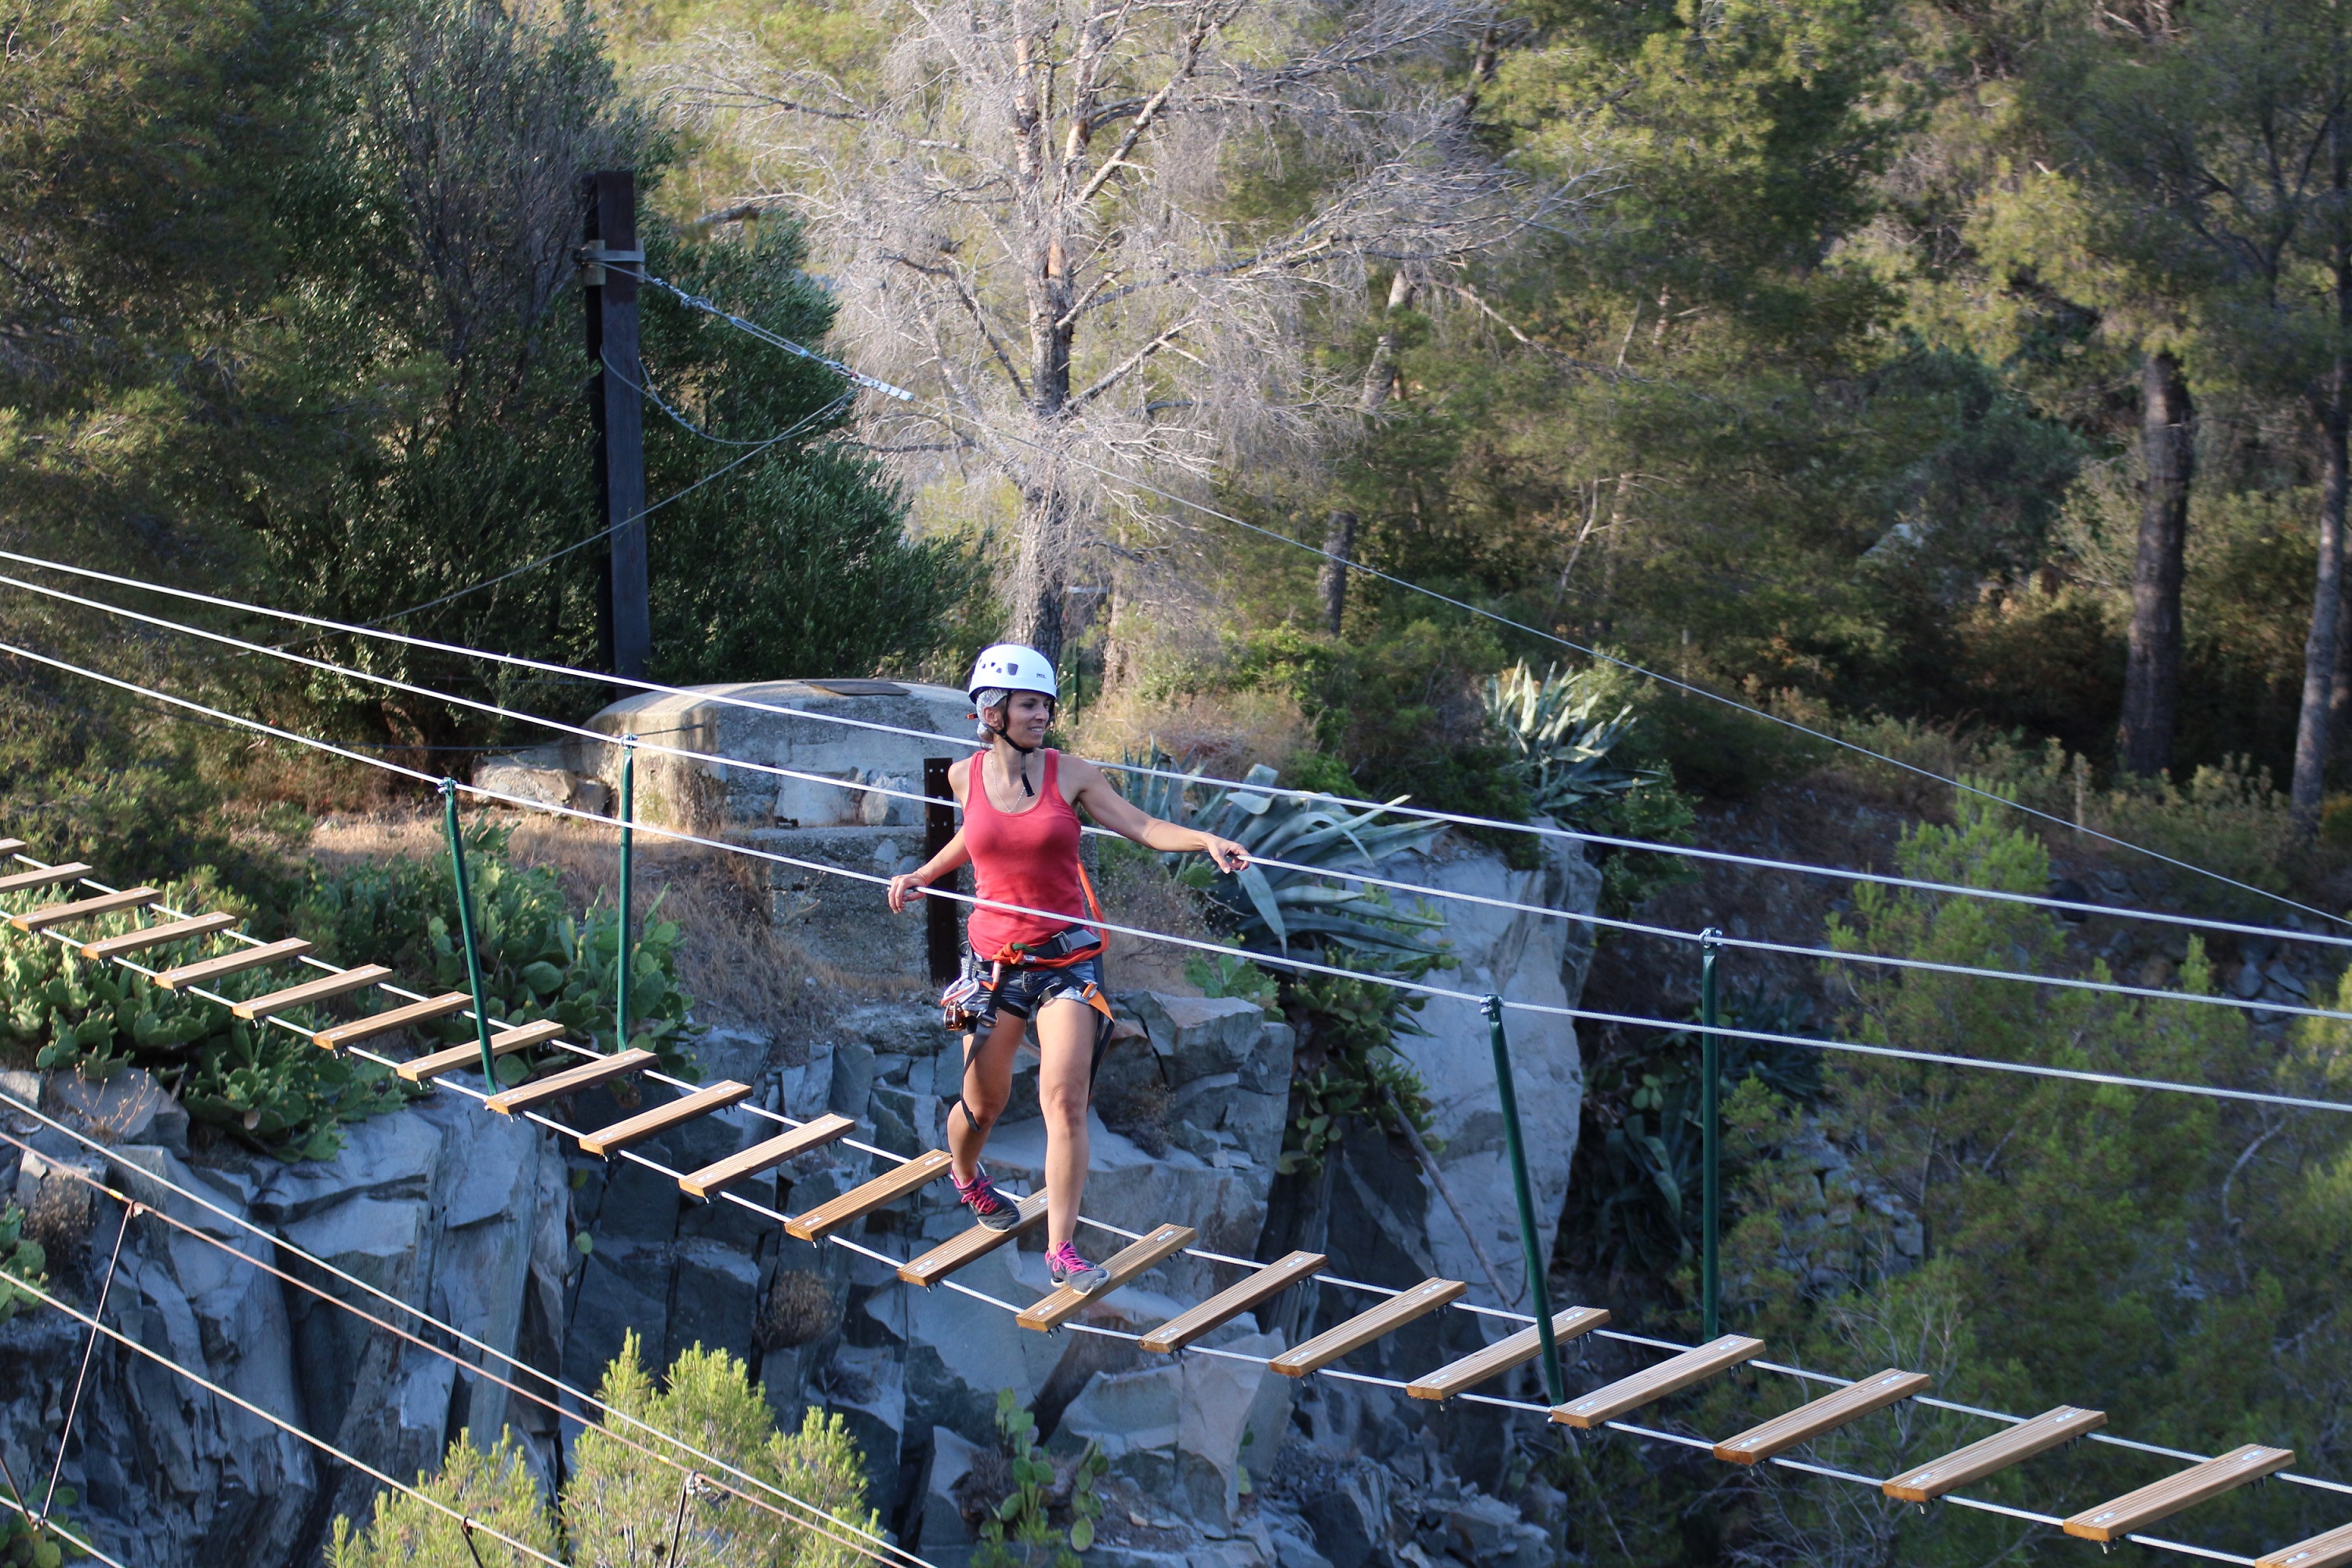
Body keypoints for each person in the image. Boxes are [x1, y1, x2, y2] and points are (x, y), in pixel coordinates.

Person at [887, 644, 1250, 1292]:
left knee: (1065, 1100)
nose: (1042, 716)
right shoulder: (964, 777)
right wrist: (925, 873)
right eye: (1029, 705)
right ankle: (965, 1174)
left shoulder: (1073, 773)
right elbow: (977, 834)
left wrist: (1205, 840)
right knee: (984, 1104)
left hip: (1067, 963)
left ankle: (1062, 1249)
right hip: (995, 966)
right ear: (992, 710)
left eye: (1046, 706)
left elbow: (1142, 826)